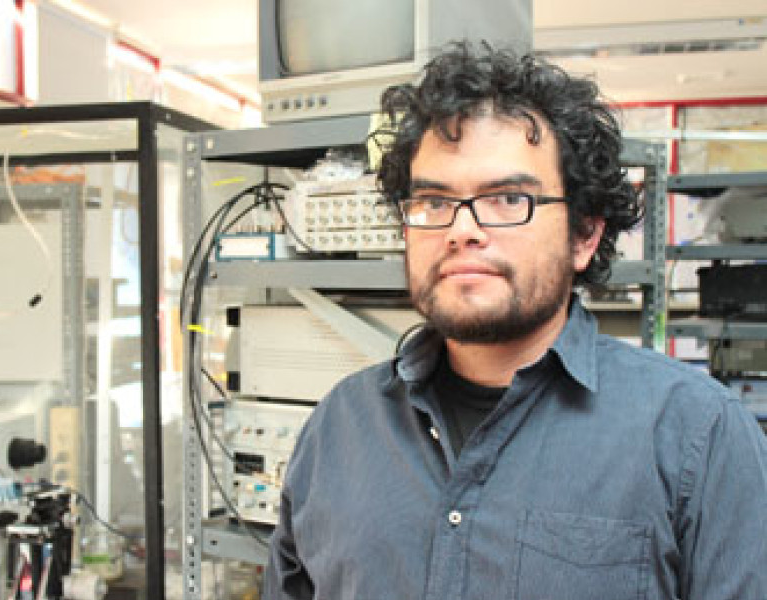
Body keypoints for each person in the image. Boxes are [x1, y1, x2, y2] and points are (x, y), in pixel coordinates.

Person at [262, 42, 767, 600]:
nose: (462, 230)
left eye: (507, 199)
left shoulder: (699, 435)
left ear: (584, 235)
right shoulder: (338, 427)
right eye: (434, 202)